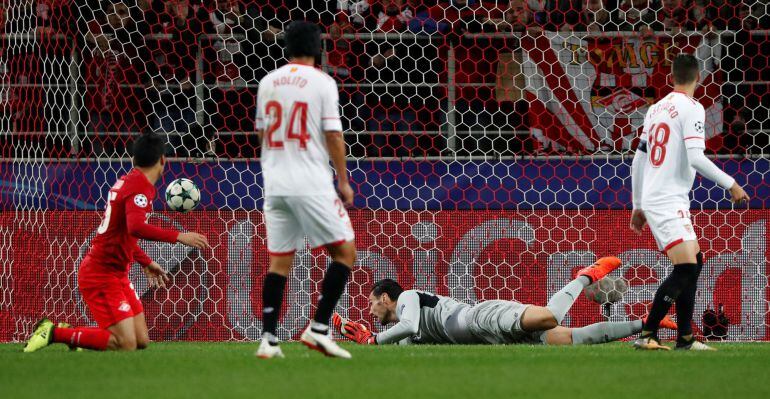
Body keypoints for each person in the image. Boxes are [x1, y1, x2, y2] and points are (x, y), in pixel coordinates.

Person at [23, 133, 210, 352]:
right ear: (162, 160)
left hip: (117, 274)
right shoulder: (140, 186)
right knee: (125, 344)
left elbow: (123, 234)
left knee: (141, 341)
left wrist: (146, 262)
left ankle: (76, 334)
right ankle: (54, 332)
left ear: (134, 158)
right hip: (100, 274)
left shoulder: (130, 180)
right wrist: (178, 236)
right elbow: (136, 227)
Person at [630, 54, 750, 351]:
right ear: (698, 77)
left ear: (671, 77)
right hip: (667, 199)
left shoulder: (656, 108)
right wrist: (731, 184)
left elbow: (639, 159)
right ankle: (647, 334)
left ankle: (685, 338)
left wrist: (637, 204)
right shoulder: (692, 108)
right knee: (685, 269)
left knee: (694, 262)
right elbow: (696, 157)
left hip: (661, 198)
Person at [255, 21, 357, 359]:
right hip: (310, 182)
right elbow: (333, 135)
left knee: (279, 262)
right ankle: (319, 329)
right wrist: (342, 180)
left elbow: (262, 133)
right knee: (345, 253)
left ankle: (269, 340)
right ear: (318, 49)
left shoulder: (267, 82)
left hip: (275, 184)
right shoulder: (322, 83)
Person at [334, 257, 676, 346]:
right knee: (575, 338)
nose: (369, 310)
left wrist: (373, 338)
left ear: (384, 297)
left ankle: (586, 275)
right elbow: (404, 339)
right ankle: (647, 324)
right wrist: (362, 338)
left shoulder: (408, 297)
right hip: (491, 337)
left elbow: (407, 324)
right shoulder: (406, 330)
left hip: (483, 319)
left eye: (370, 304)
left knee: (551, 317)